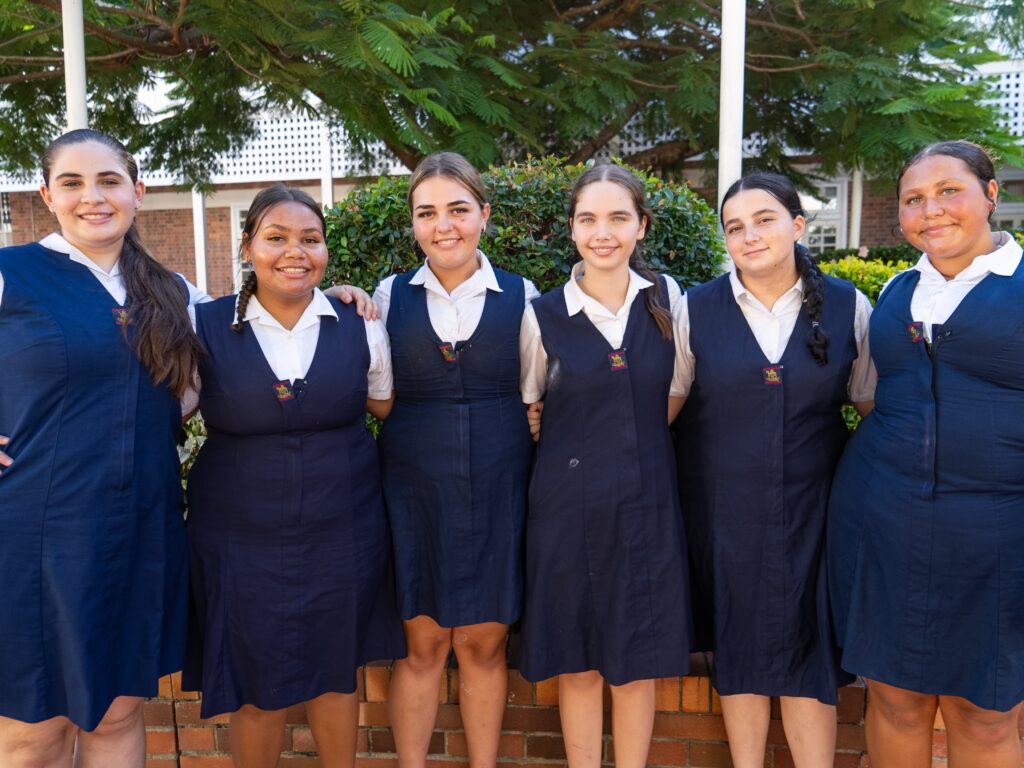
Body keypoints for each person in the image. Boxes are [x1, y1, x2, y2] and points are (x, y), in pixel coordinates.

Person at [0, 129, 206, 766]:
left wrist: (348, 298)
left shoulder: (172, 291)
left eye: (109, 181)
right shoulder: (13, 274)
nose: (93, 197)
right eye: (72, 183)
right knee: (35, 728)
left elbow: (253, 340)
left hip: (140, 526)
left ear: (137, 193)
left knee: (117, 716)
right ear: (47, 195)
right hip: (35, 531)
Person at [181, 185, 405, 768]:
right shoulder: (202, 325)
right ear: (248, 245)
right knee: (254, 678)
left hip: (344, 525)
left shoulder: (360, 325)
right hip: (238, 534)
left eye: (310, 238)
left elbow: (387, 405)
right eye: (275, 237)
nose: (294, 251)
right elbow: (158, 407)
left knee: (337, 671)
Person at [828, 140, 1024, 767]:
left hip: (998, 532)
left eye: (949, 192)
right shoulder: (895, 292)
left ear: (991, 195)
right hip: (887, 523)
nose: (930, 210)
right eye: (914, 199)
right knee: (895, 700)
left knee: (985, 712)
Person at [674, 171, 875, 768]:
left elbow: (875, 410)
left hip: (818, 510)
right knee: (739, 652)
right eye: (734, 227)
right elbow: (663, 406)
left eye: (763, 220)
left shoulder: (848, 306)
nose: (749, 236)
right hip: (723, 513)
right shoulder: (695, 308)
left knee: (810, 657)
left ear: (796, 224)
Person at [518, 163, 693, 768]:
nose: (603, 232)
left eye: (618, 217)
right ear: (571, 229)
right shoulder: (541, 314)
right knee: (579, 657)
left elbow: (675, 395)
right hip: (566, 512)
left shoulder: (671, 302)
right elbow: (530, 403)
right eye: (588, 218)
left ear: (641, 226)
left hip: (647, 506)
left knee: (636, 658)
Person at [372, 152, 537, 768]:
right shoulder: (386, 298)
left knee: (484, 647)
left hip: (501, 482)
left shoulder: (523, 297)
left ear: (484, 216)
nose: (444, 225)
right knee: (422, 645)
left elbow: (537, 391)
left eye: (459, 209)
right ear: (413, 223)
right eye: (427, 212)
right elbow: (376, 391)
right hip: (413, 484)